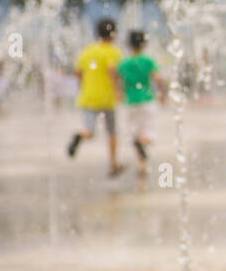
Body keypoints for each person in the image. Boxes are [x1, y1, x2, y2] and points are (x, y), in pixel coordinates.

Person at [67, 17, 125, 176]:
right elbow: (112, 70)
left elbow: (77, 72)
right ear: (113, 34)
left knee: (90, 131)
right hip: (107, 98)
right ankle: (113, 164)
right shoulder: (112, 51)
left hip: (88, 97)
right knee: (112, 132)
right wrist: (118, 90)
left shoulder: (87, 51)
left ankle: (80, 135)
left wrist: (84, 85)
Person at [117, 30, 167, 179]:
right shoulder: (148, 61)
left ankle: (142, 165)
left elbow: (119, 83)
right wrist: (163, 94)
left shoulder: (124, 63)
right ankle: (143, 145)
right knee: (149, 133)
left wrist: (120, 94)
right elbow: (158, 79)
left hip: (130, 101)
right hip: (147, 100)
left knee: (134, 132)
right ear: (144, 44)